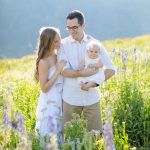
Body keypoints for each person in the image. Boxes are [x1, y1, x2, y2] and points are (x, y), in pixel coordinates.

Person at [58, 10, 115, 132]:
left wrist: (94, 82)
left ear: (83, 25)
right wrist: (83, 73)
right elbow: (64, 71)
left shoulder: (95, 44)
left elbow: (111, 68)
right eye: (68, 28)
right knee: (70, 139)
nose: (71, 31)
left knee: (95, 137)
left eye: (75, 27)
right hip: (70, 99)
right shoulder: (62, 45)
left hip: (92, 99)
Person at [34, 27, 66, 148]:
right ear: (48, 42)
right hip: (50, 101)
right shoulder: (44, 62)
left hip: (61, 98)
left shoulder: (59, 55)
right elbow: (44, 88)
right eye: (56, 41)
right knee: (50, 135)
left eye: (59, 39)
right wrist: (57, 71)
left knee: (61, 135)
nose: (59, 43)